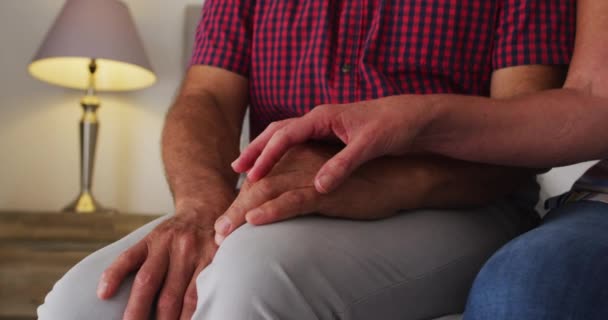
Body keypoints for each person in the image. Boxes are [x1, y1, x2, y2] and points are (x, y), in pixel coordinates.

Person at [37, 1, 575, 319]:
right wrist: (202, 206)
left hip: (461, 204)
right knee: (80, 304)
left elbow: (522, 134)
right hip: (263, 204)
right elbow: (205, 97)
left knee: (252, 281)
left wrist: (375, 182)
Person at [232, 1, 608, 319]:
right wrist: (201, 208)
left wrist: (403, 153)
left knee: (257, 276)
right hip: (599, 200)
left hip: (467, 197)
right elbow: (594, 101)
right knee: (523, 289)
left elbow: (516, 157)